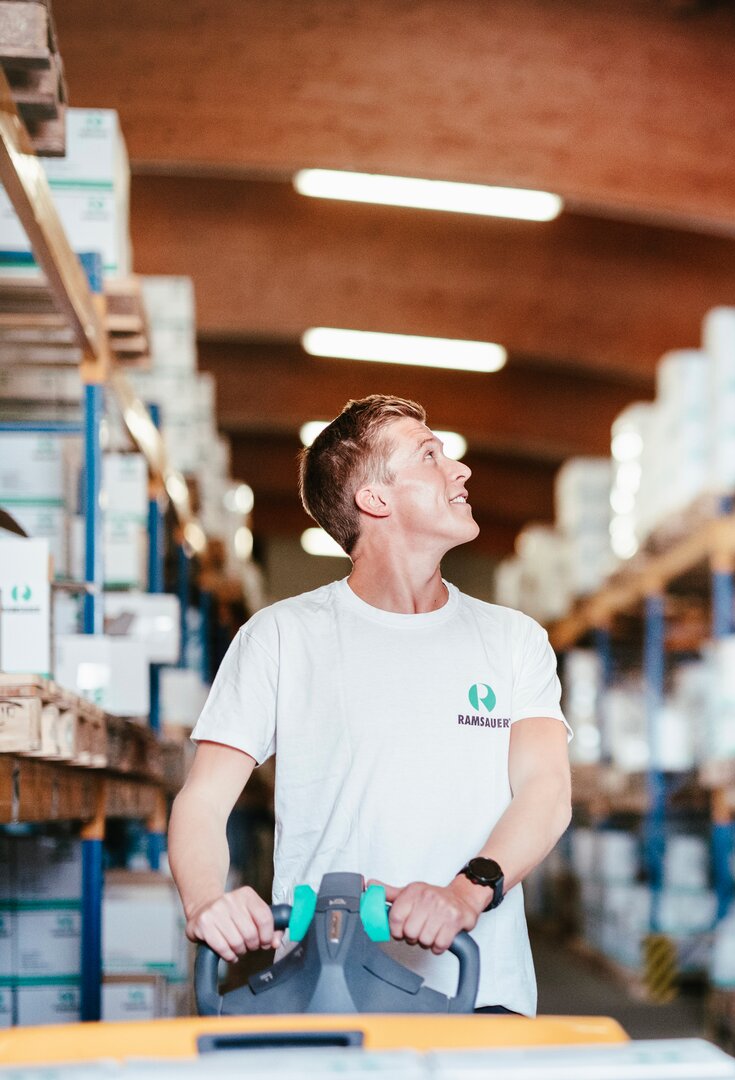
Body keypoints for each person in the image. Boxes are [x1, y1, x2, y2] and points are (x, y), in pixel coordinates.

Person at [168, 394, 572, 1015]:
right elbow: (202, 800)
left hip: (482, 991)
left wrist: (464, 896)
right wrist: (205, 901)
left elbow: (546, 792)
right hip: (325, 987)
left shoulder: (513, 640)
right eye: (431, 456)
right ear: (375, 499)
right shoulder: (282, 637)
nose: (461, 470)